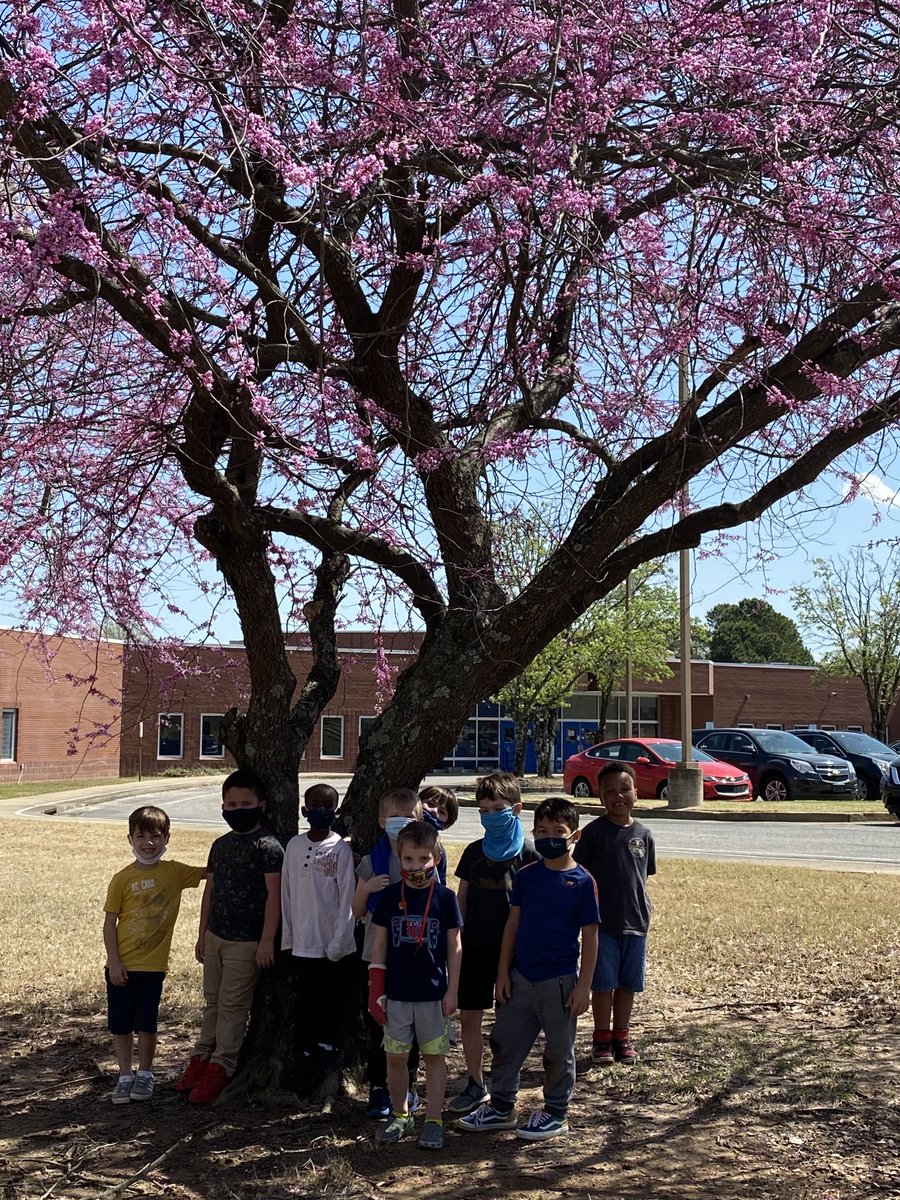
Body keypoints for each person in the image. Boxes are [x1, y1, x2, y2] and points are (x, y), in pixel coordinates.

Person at [459, 796, 599, 1141]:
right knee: (505, 1043)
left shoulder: (583, 882)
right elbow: (512, 925)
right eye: (541, 830)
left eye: (558, 831)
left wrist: (583, 987)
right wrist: (503, 972)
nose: (549, 836)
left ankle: (555, 1112)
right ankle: (501, 1106)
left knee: (558, 1051)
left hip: (560, 982)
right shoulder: (526, 876)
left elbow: (592, 937)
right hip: (520, 978)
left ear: (575, 835)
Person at [176, 768, 284, 1104]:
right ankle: (201, 1057)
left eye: (245, 803)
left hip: (248, 941)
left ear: (262, 805)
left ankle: (222, 1066)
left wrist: (267, 940)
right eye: (231, 804)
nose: (238, 809)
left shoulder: (269, 846)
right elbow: (211, 890)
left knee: (234, 1006)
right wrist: (202, 933)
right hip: (217, 936)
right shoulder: (220, 845)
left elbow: (275, 897)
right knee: (213, 1003)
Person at [447, 771, 540, 1116]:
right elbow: (462, 901)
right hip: (474, 949)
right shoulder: (473, 852)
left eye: (497, 808)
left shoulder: (530, 854)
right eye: (483, 809)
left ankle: (504, 1086)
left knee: (506, 1026)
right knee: (470, 1018)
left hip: (514, 956)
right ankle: (475, 1083)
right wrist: (455, 945)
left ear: (516, 808)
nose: (489, 815)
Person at [368, 820, 462, 1150]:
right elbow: (379, 946)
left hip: (433, 995)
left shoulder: (446, 899)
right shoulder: (389, 897)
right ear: (399, 856)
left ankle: (434, 1119)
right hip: (395, 995)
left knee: (434, 1057)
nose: (416, 866)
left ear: (436, 858)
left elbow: (455, 948)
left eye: (423, 859)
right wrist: (375, 989)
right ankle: (400, 1114)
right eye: (408, 860)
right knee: (395, 1057)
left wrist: (452, 991)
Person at [103, 806, 205, 1104]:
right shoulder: (121, 878)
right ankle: (124, 1076)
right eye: (141, 836)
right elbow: (110, 923)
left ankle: (145, 1073)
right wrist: (114, 962)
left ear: (167, 838)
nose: (148, 842)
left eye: (156, 836)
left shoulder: (174, 872)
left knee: (147, 1024)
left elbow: (210, 872)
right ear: (130, 839)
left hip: (153, 968)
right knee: (120, 1025)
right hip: (122, 966)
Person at [573, 761, 656, 1066]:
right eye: (610, 791)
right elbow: (580, 875)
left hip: (635, 922)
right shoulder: (593, 834)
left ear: (637, 792)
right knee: (603, 983)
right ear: (600, 797)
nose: (618, 796)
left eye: (625, 789)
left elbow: (642, 876)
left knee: (628, 983)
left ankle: (622, 1036)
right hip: (602, 924)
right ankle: (601, 1039)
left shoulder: (644, 834)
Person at [351, 787, 423, 1118]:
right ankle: (379, 1087)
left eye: (409, 818)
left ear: (420, 820)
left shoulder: (426, 859)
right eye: (395, 818)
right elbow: (356, 909)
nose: (402, 824)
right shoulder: (370, 862)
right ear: (382, 822)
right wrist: (366, 888)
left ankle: (408, 1086)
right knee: (378, 1025)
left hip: (414, 957)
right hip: (375, 959)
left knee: (411, 1027)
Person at [281, 783, 357, 1088]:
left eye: (327, 805)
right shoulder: (294, 846)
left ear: (336, 812)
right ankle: (304, 1056)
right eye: (315, 804)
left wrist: (339, 942)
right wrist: (288, 938)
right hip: (302, 944)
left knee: (331, 1004)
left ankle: (328, 1054)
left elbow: (347, 898)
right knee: (305, 1004)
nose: (320, 810)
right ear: (304, 810)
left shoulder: (341, 850)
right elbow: (287, 894)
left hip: (333, 947)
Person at [419, 784, 459, 885]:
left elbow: (440, 882)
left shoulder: (438, 850)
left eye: (441, 811)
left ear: (446, 824)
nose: (434, 811)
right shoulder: (399, 834)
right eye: (430, 804)